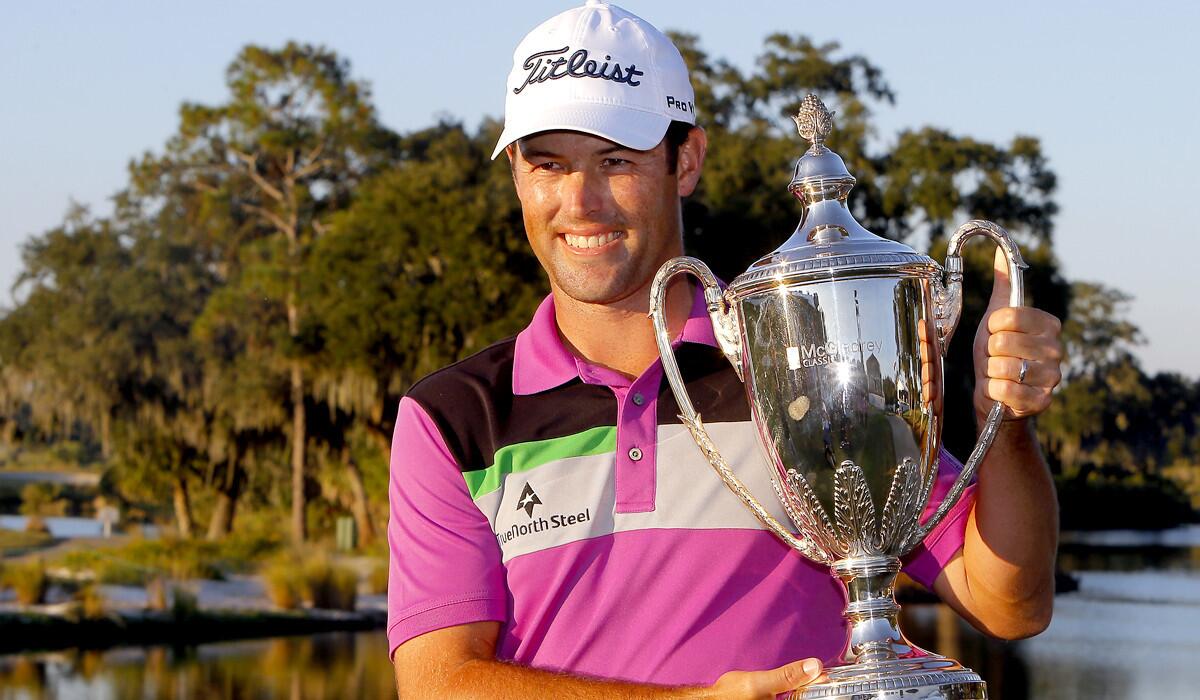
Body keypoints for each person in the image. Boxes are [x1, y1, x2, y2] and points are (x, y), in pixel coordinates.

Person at [387, 2, 1062, 697]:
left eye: (616, 160)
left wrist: (1003, 420)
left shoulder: (799, 358)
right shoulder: (454, 417)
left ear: (688, 162)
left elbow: (1010, 603)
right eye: (550, 165)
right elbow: (438, 682)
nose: (581, 201)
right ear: (518, 179)